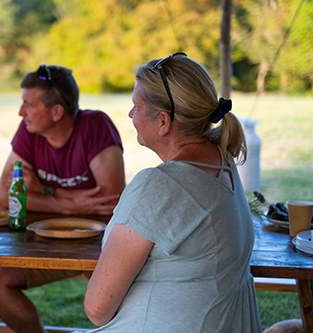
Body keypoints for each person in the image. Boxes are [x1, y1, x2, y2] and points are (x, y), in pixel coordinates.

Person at [83, 53, 261, 332]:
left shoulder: (161, 185)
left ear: (163, 122)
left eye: (136, 106)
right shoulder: (222, 163)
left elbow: (97, 309)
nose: (131, 114)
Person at [0, 64, 126, 333]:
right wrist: (65, 199)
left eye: (28, 105)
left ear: (57, 112)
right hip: (44, 241)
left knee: (120, 301)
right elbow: (6, 198)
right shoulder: (29, 130)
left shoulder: (95, 126)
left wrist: (42, 192)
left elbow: (111, 202)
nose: (21, 113)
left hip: (97, 247)